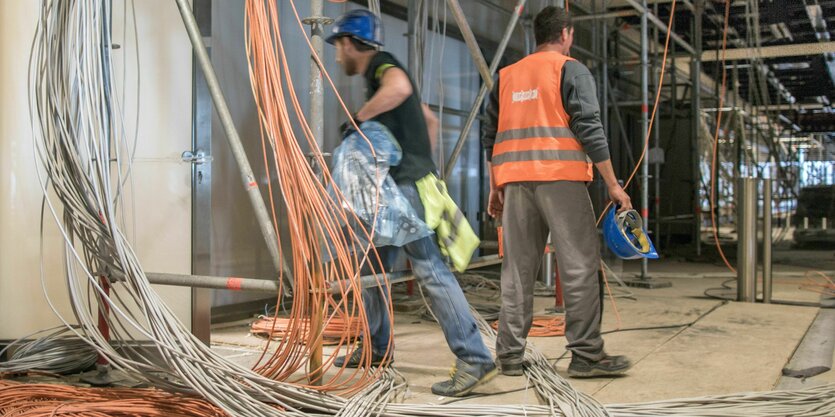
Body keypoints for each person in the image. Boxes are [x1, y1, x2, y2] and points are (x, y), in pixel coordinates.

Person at [326, 9, 496, 397]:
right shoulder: (378, 77)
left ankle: (474, 358)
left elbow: (401, 88)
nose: (338, 57)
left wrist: (358, 119)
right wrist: (424, 165)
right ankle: (376, 346)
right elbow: (429, 118)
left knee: (430, 270)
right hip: (402, 188)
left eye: (339, 47)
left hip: (403, 192)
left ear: (352, 43)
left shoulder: (384, 66)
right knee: (369, 264)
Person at [482, 6, 634, 378]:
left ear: (538, 35)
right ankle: (585, 355)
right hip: (561, 180)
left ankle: (510, 356)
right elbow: (590, 128)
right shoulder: (570, 69)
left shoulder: (506, 76)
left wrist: (495, 187)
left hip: (515, 185)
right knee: (579, 267)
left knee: (516, 270)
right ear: (565, 34)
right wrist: (614, 184)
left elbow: (489, 137)